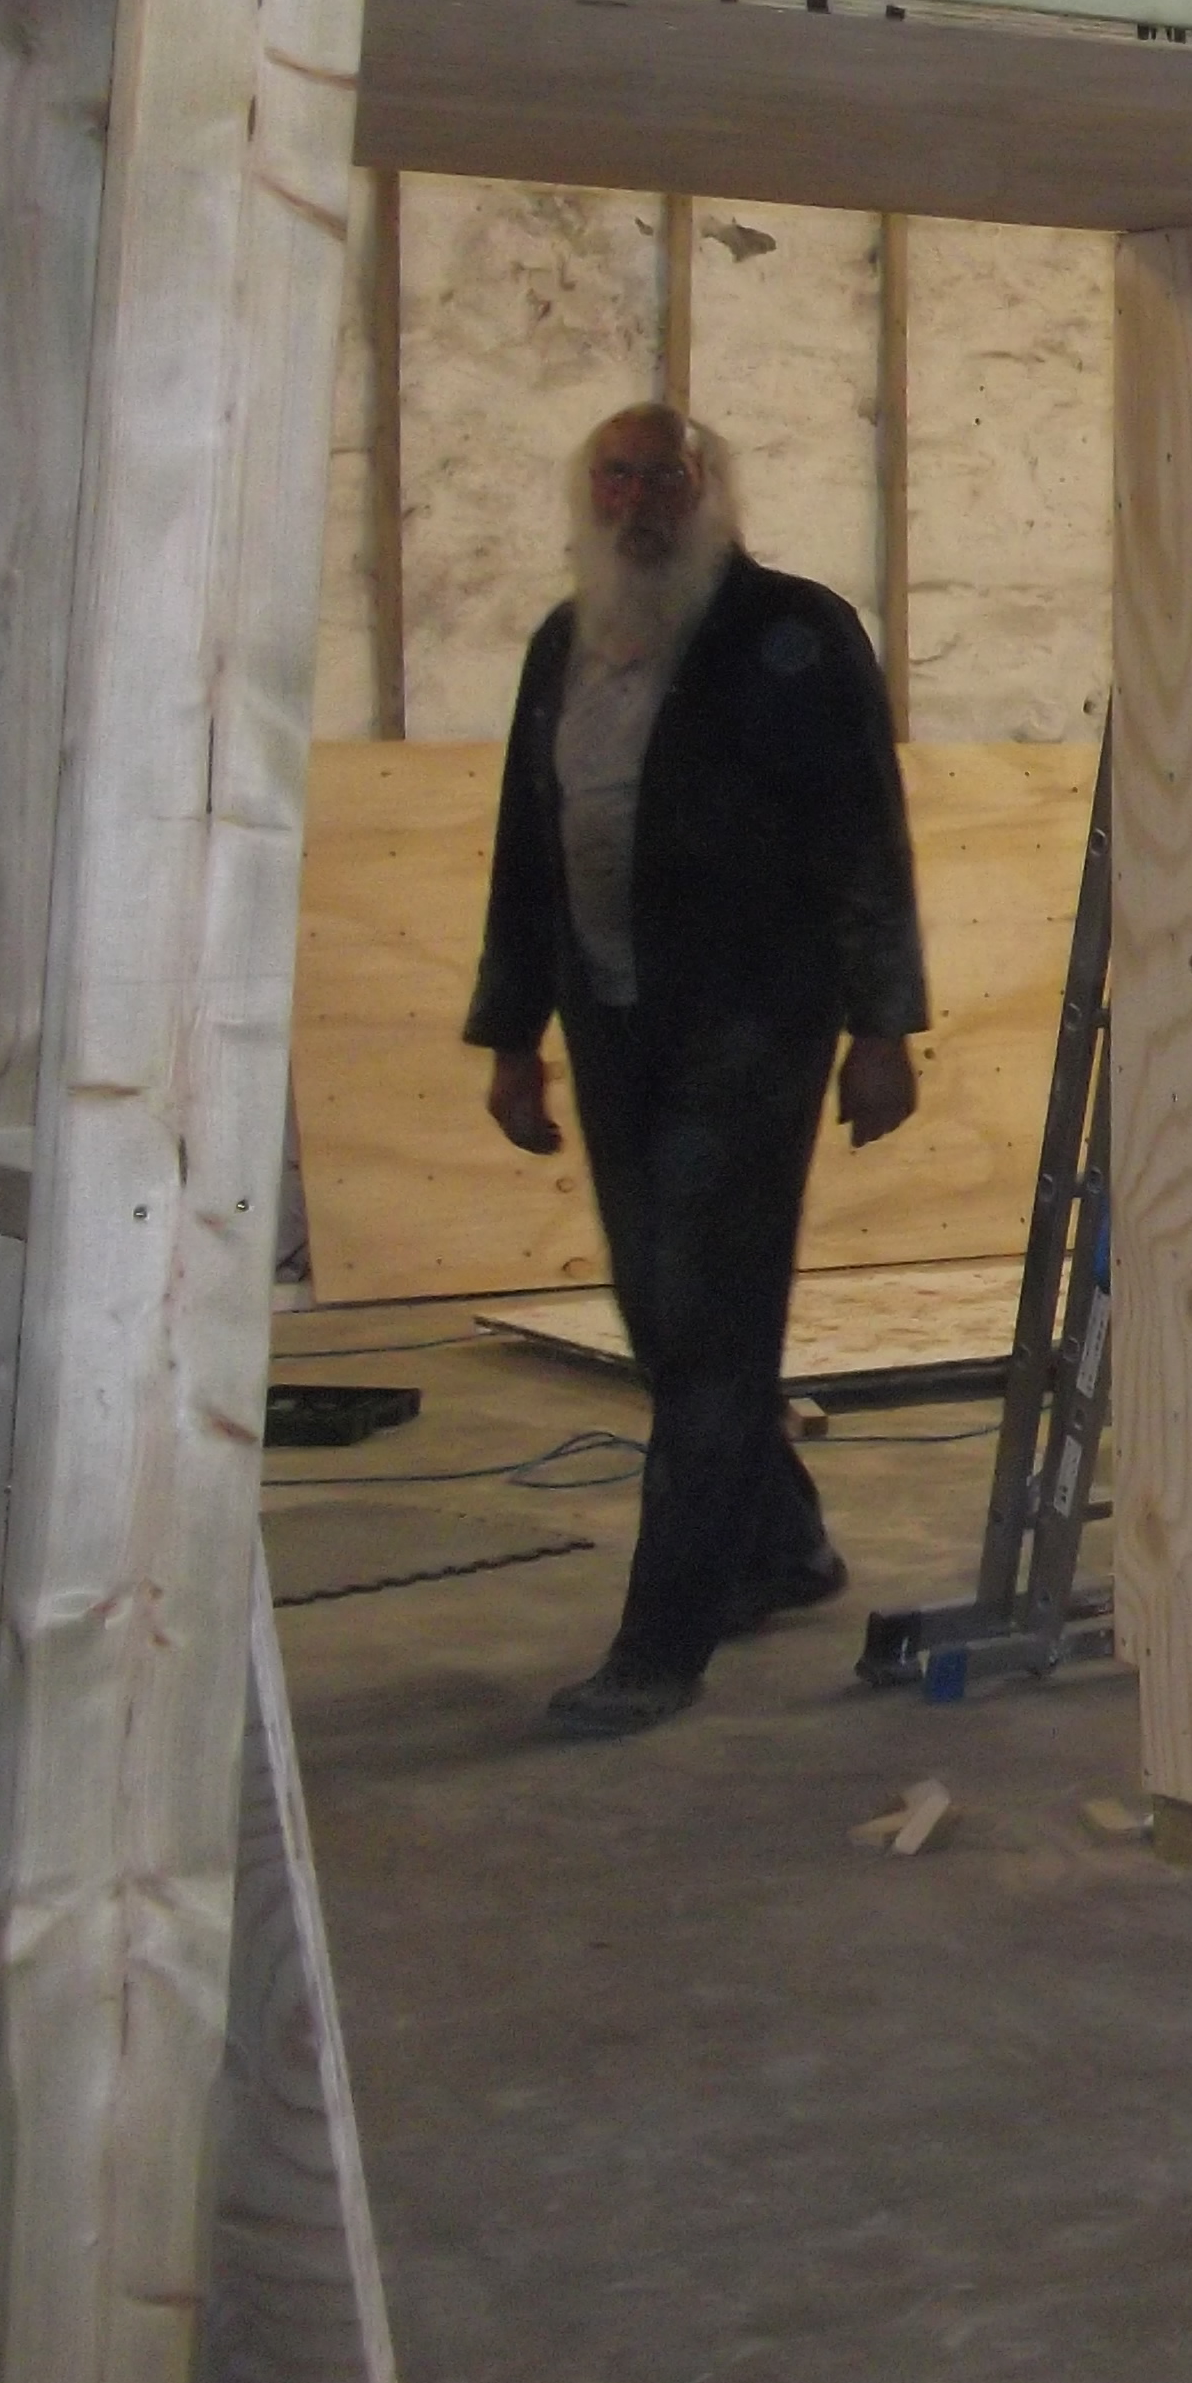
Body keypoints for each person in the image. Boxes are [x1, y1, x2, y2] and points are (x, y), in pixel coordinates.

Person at [466, 405, 928, 1737]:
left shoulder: (790, 635)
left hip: (751, 1026)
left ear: (711, 491)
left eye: (665, 476)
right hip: (614, 1021)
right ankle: (779, 1545)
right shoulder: (565, 646)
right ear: (587, 494)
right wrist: (513, 1040)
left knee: (715, 1329)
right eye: (615, 475)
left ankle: (661, 1642)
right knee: (664, 1318)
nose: (639, 500)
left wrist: (881, 1027)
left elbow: (864, 835)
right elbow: (524, 849)